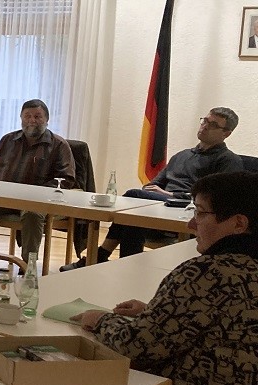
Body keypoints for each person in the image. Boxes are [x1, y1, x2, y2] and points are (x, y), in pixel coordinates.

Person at [80, 171, 258, 385]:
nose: (190, 224)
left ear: (239, 223)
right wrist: (158, 313)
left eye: (200, 213)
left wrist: (100, 320)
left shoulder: (207, 274)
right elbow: (237, 324)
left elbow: (137, 346)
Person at [62, 108, 242, 270]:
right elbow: (152, 185)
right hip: (159, 208)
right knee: (133, 218)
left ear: (226, 133)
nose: (205, 126)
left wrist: (170, 195)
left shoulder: (228, 160)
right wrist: (159, 193)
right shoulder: (182, 155)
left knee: (133, 198)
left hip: (187, 212)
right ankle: (127, 270)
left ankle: (101, 255)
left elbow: (216, 198)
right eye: (204, 120)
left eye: (213, 124)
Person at [0, 99, 75, 275]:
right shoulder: (8, 140)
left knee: (32, 213)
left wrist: (33, 194)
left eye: (38, 116)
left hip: (39, 202)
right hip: (4, 198)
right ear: (21, 118)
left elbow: (67, 179)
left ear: (47, 119)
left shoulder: (58, 145)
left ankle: (27, 266)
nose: (32, 120)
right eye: (27, 116)